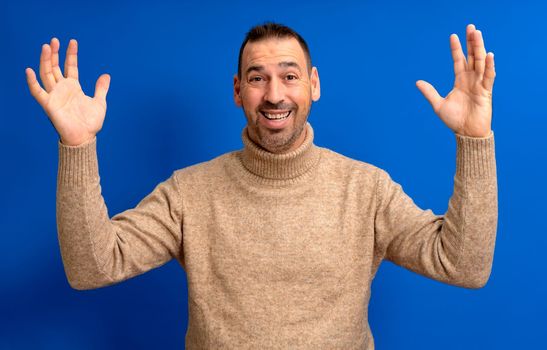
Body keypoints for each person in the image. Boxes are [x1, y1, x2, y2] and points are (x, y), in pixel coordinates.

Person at [26, 22, 497, 349]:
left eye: (289, 76)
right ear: (237, 91)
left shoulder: (365, 189)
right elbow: (90, 267)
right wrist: (78, 145)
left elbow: (462, 265)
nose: (274, 94)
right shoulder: (190, 193)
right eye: (258, 79)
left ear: (313, 85)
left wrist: (474, 138)